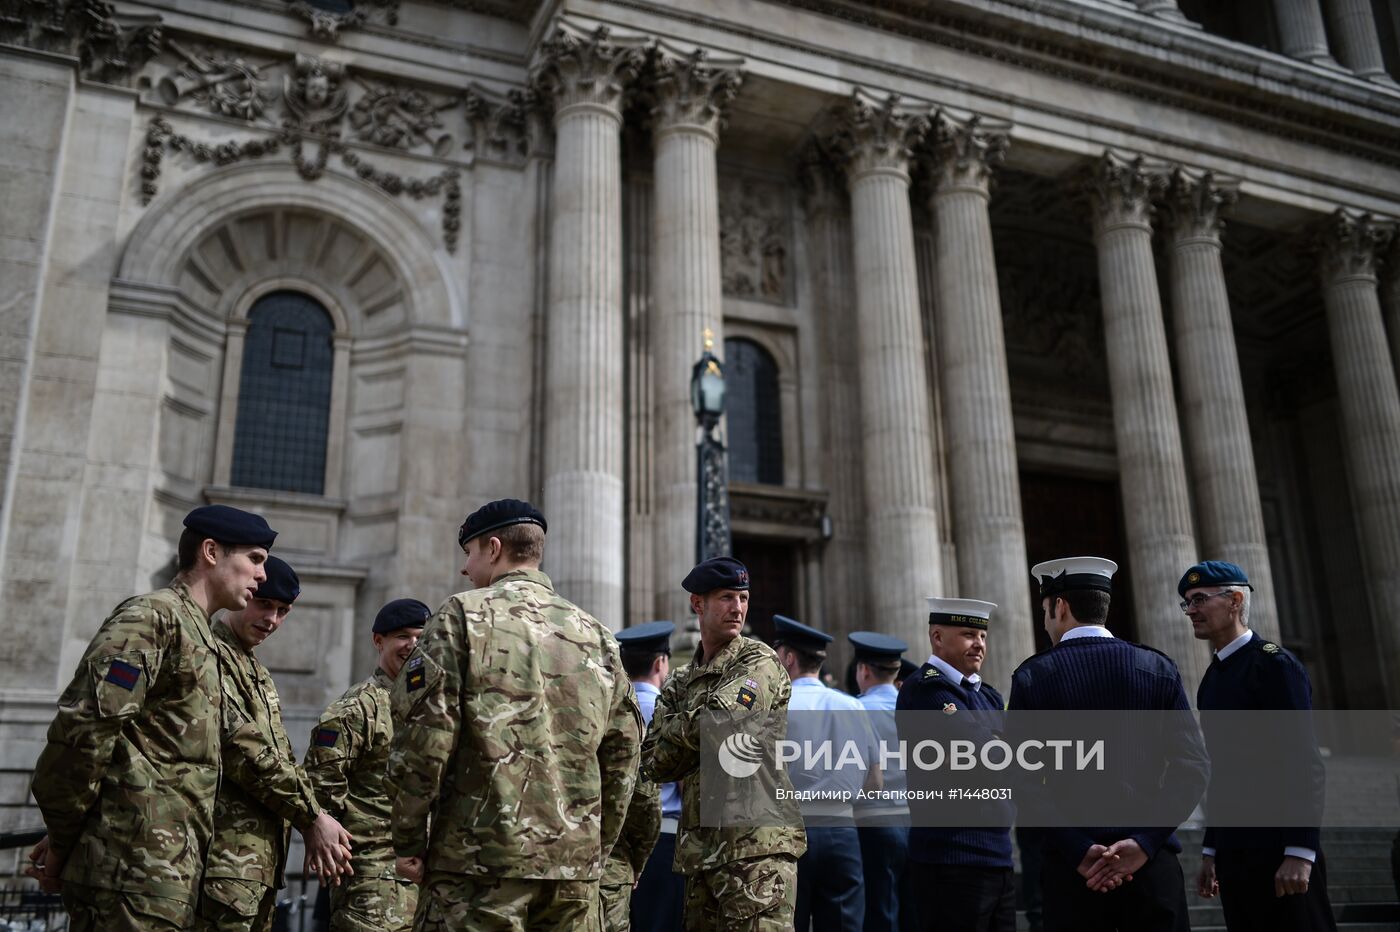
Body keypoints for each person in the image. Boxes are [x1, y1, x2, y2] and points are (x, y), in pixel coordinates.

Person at [386, 499, 642, 930]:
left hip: (479, 866)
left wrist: (407, 838)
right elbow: (624, 755)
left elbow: (425, 739)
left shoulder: (461, 616)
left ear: (493, 547)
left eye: (468, 553)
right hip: (573, 870)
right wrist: (595, 845)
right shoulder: (597, 634)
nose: (466, 569)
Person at [26, 505, 278, 930]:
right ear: (212, 551)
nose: (263, 575)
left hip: (165, 876)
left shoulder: (201, 636)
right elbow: (83, 734)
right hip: (127, 874)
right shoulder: (152, 619)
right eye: (254, 559)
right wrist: (67, 837)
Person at [1008, 556, 1209, 932]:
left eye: (1045, 611)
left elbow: (1022, 779)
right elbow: (1193, 767)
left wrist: (1079, 851)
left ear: (1060, 607)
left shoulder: (1033, 677)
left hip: (1073, 874)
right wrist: (1144, 843)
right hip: (1151, 869)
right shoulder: (1157, 668)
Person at [641, 556, 806, 930]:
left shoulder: (758, 660)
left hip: (757, 854)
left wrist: (682, 728)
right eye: (727, 597)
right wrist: (699, 723)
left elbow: (723, 725)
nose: (738, 608)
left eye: (744, 598)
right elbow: (655, 761)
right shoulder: (682, 679)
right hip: (702, 853)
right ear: (697, 604)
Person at [199, 555, 352, 932]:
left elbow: (280, 758)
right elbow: (245, 752)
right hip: (220, 860)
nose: (272, 619)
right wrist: (312, 818)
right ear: (242, 595)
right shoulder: (211, 657)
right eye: (263, 604)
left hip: (254, 867)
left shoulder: (256, 671)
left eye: (283, 611)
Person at [1183, 560, 1337, 932]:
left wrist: (1300, 850)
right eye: (1187, 602)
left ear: (1235, 600)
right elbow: (1220, 771)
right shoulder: (1213, 679)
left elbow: (1304, 762)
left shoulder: (1275, 666)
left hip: (1280, 848)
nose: (1191, 611)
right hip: (1237, 853)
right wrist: (1211, 849)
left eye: (1200, 599)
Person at [305, 598, 432, 931]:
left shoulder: (433, 707)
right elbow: (320, 787)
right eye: (403, 636)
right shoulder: (356, 708)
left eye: (421, 636)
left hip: (429, 883)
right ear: (379, 640)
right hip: (373, 882)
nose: (413, 645)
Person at [897, 598, 1015, 932]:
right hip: (950, 859)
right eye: (967, 634)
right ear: (937, 637)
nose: (979, 643)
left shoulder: (988, 695)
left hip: (997, 855)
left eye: (982, 635)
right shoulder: (926, 688)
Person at [774, 614, 872, 931]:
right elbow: (875, 780)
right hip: (842, 829)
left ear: (788, 658)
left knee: (787, 922)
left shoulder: (774, 708)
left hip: (787, 832)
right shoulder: (854, 706)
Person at [616, 621, 683, 932]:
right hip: (665, 841)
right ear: (661, 662)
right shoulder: (672, 713)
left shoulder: (610, 710)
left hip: (613, 843)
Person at [849, 631, 908, 932]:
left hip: (873, 822)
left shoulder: (855, 710)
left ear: (864, 670)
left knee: (879, 912)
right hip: (916, 822)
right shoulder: (915, 708)